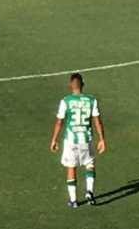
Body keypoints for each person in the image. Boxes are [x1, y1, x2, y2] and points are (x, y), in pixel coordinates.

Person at [49, 72, 106, 208]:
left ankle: (74, 200)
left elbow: (59, 122)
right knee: (90, 163)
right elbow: (97, 121)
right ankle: (89, 191)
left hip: (71, 140)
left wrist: (54, 139)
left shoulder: (65, 101)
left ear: (70, 85)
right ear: (83, 85)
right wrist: (102, 139)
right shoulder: (91, 100)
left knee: (71, 166)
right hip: (86, 139)